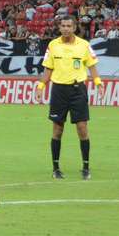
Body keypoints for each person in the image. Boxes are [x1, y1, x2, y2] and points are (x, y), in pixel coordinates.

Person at [35, 16, 104, 180]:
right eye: (63, 25)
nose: (66, 28)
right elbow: (48, 69)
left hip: (78, 90)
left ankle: (86, 167)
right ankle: (56, 169)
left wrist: (98, 83)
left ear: (74, 28)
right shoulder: (53, 45)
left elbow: (92, 66)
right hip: (59, 90)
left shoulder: (84, 45)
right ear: (59, 28)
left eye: (69, 26)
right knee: (57, 130)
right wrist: (41, 86)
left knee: (82, 128)